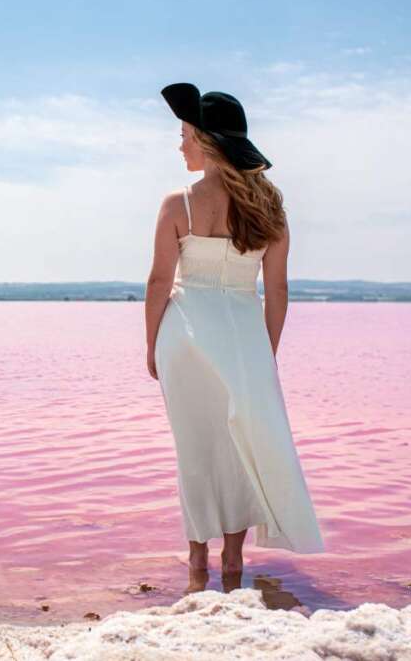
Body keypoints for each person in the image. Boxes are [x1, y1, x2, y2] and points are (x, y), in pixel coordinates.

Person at [145, 83, 325, 589]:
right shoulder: (270, 208)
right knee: (239, 444)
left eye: (184, 135)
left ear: (206, 140)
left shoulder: (177, 203)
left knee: (195, 447)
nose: (180, 145)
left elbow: (160, 281)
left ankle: (196, 560)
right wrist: (265, 353)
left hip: (183, 334)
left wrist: (149, 343)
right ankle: (233, 560)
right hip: (245, 335)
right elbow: (278, 290)